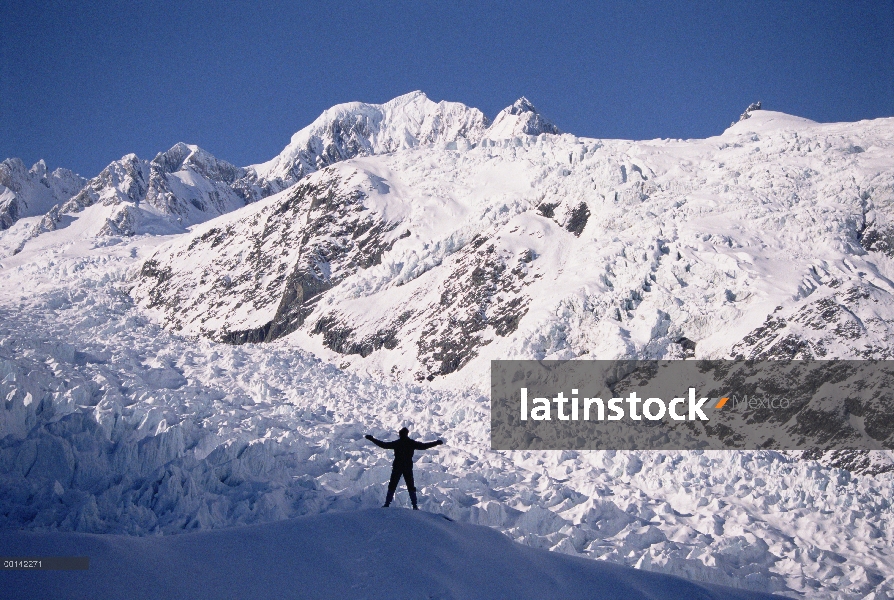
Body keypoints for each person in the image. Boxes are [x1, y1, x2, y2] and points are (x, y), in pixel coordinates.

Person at [365, 427, 444, 510]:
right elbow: (424, 446)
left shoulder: (397, 443)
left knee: (392, 485)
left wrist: (372, 439)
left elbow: (384, 445)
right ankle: (414, 505)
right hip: (407, 467)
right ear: (407, 434)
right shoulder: (411, 443)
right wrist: (436, 443)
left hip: (397, 467)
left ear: (400, 434)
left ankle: (387, 503)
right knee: (410, 486)